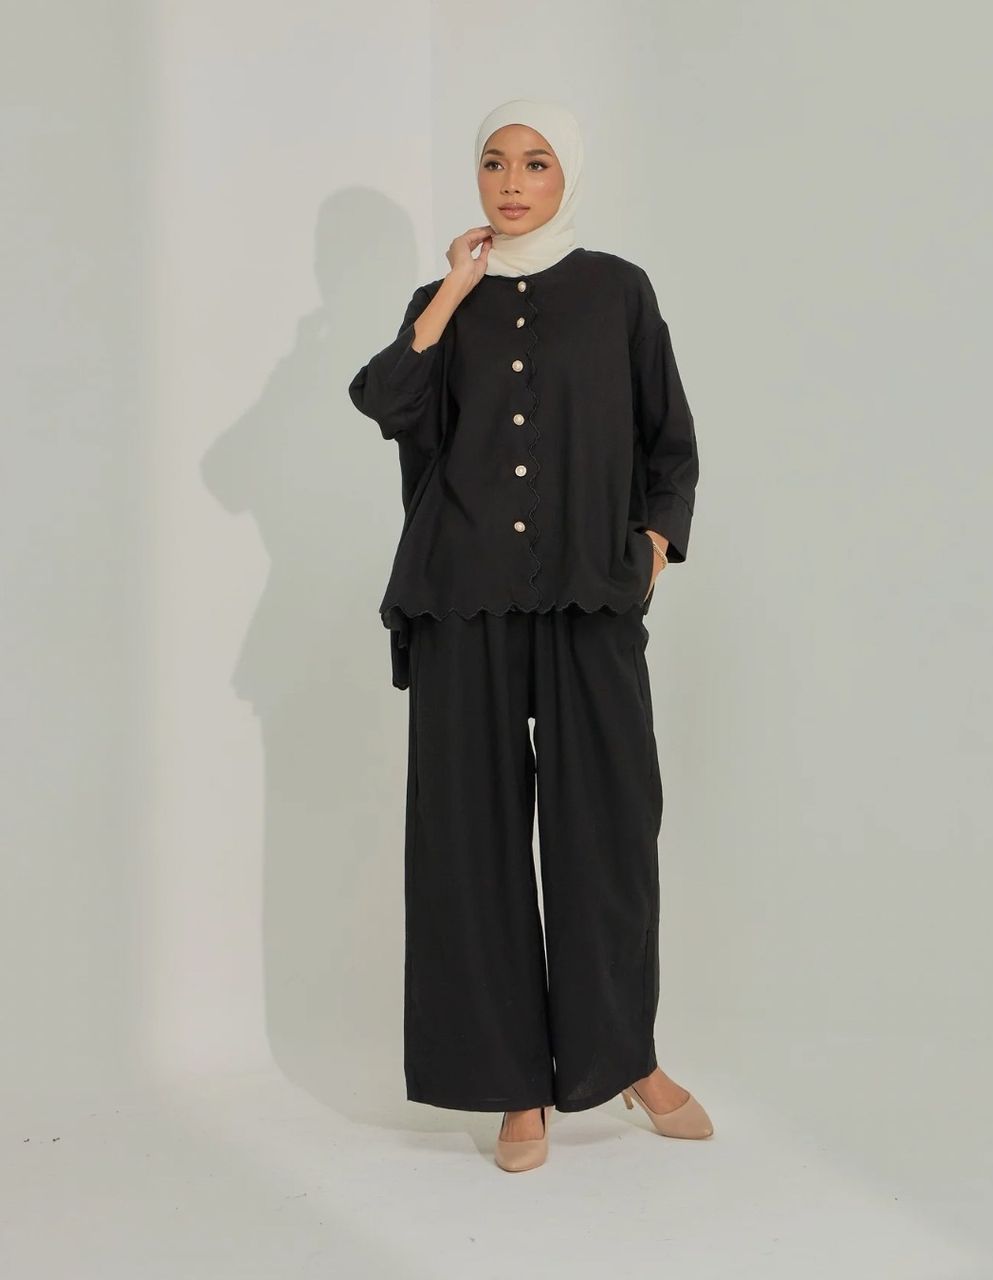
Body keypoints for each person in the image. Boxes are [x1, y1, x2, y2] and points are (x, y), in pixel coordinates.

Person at [348, 98, 713, 1172]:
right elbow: (386, 401)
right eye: (495, 163)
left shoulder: (618, 291)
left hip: (591, 596)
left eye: (536, 163)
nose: (512, 183)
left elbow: (670, 437)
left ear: (568, 176)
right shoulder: (442, 303)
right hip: (461, 596)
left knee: (611, 832)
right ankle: (513, 1085)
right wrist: (449, 294)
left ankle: (625, 1056)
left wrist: (654, 541)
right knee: (471, 842)